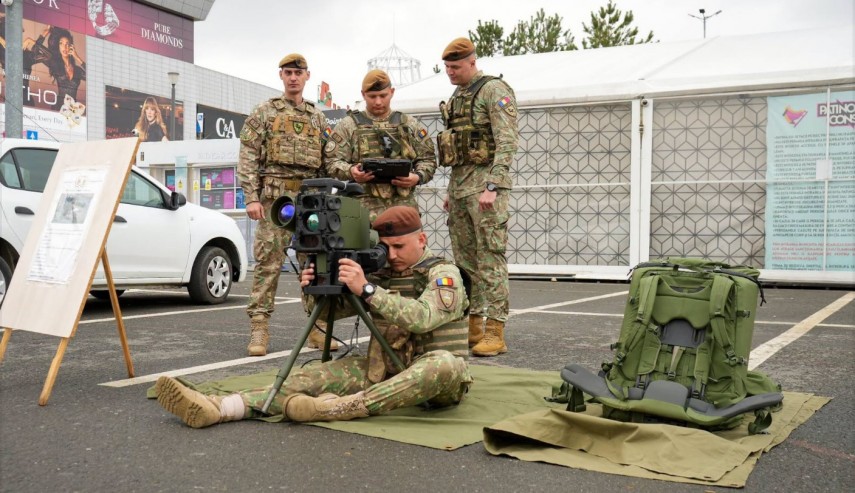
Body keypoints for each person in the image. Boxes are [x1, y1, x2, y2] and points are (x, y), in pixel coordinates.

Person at [154, 206, 472, 427]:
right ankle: (221, 408)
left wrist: (369, 289)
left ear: (422, 239)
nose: (391, 256)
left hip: (439, 381)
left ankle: (342, 408)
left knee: (441, 364)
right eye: (385, 248)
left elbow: (424, 317)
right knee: (311, 377)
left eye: (399, 246)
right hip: (384, 369)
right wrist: (318, 288)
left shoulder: (444, 274)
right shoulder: (382, 274)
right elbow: (332, 314)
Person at [237, 53, 333, 357]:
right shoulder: (264, 112)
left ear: (307, 77)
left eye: (298, 73)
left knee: (314, 263)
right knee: (268, 264)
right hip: (274, 202)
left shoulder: (317, 117)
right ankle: (260, 327)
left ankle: (316, 326)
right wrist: (251, 196)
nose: (293, 77)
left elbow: (327, 162)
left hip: (308, 201)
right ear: (281, 75)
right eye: (288, 72)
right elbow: (248, 155)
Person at [438, 37, 519, 357]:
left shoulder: (494, 90)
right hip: (460, 189)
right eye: (447, 68)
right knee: (465, 263)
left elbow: (507, 140)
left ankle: (495, 329)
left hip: (485, 189)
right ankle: (473, 322)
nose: (451, 73)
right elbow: (457, 150)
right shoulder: (457, 96)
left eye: (456, 67)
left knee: (490, 258)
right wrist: (450, 191)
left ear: (473, 61)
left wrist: (493, 185)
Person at [324, 69, 436, 222]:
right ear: (363, 94)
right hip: (362, 212)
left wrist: (417, 177)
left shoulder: (408, 124)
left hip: (403, 210)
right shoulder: (348, 126)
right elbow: (331, 161)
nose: (378, 102)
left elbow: (428, 159)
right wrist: (351, 171)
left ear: (392, 92)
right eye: (372, 96)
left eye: (383, 96)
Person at [45, 26, 85, 111]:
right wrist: (44, 33)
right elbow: (36, 50)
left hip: (73, 110)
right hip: (59, 108)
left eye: (67, 44)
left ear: (71, 47)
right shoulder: (55, 64)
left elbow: (94, 78)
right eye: (61, 43)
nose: (65, 47)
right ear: (58, 46)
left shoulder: (77, 70)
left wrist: (77, 57)